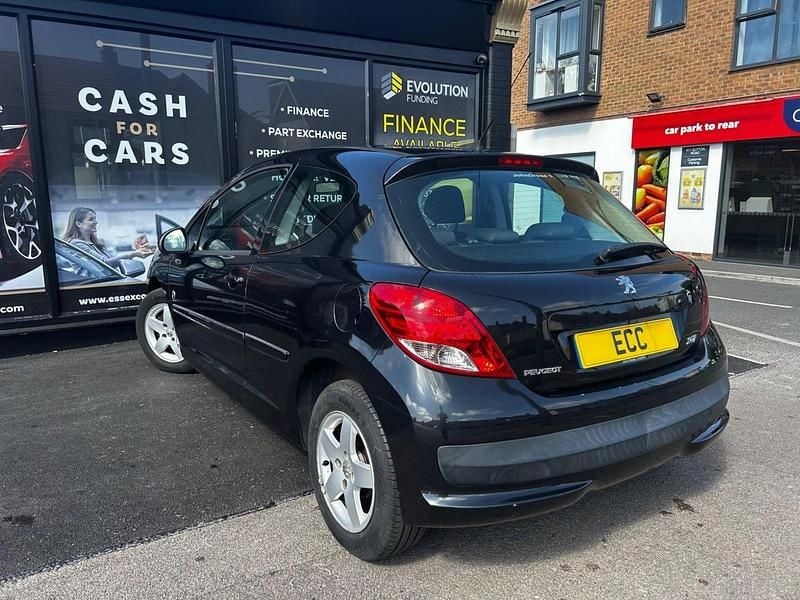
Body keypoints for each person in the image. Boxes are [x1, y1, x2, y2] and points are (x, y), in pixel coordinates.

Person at [62, 207, 153, 267]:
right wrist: (134, 254)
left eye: (95, 219)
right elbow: (104, 264)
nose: (96, 222)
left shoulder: (97, 242)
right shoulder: (77, 244)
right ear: (78, 224)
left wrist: (138, 250)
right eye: (91, 219)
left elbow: (113, 260)